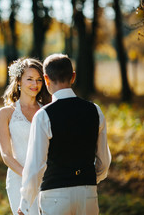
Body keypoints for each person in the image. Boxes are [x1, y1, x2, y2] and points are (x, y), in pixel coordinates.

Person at [18, 54, 111, 215]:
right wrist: (86, 181)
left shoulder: (43, 115)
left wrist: (25, 203)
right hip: (87, 194)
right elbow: (104, 161)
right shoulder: (95, 110)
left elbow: (35, 165)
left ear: (46, 79)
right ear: (73, 76)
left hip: (55, 195)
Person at [0, 58, 51, 215]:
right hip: (19, 180)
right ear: (18, 80)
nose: (35, 84)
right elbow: (6, 154)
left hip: (47, 178)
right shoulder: (5, 113)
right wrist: (28, 175)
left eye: (39, 80)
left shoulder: (48, 111)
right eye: (30, 79)